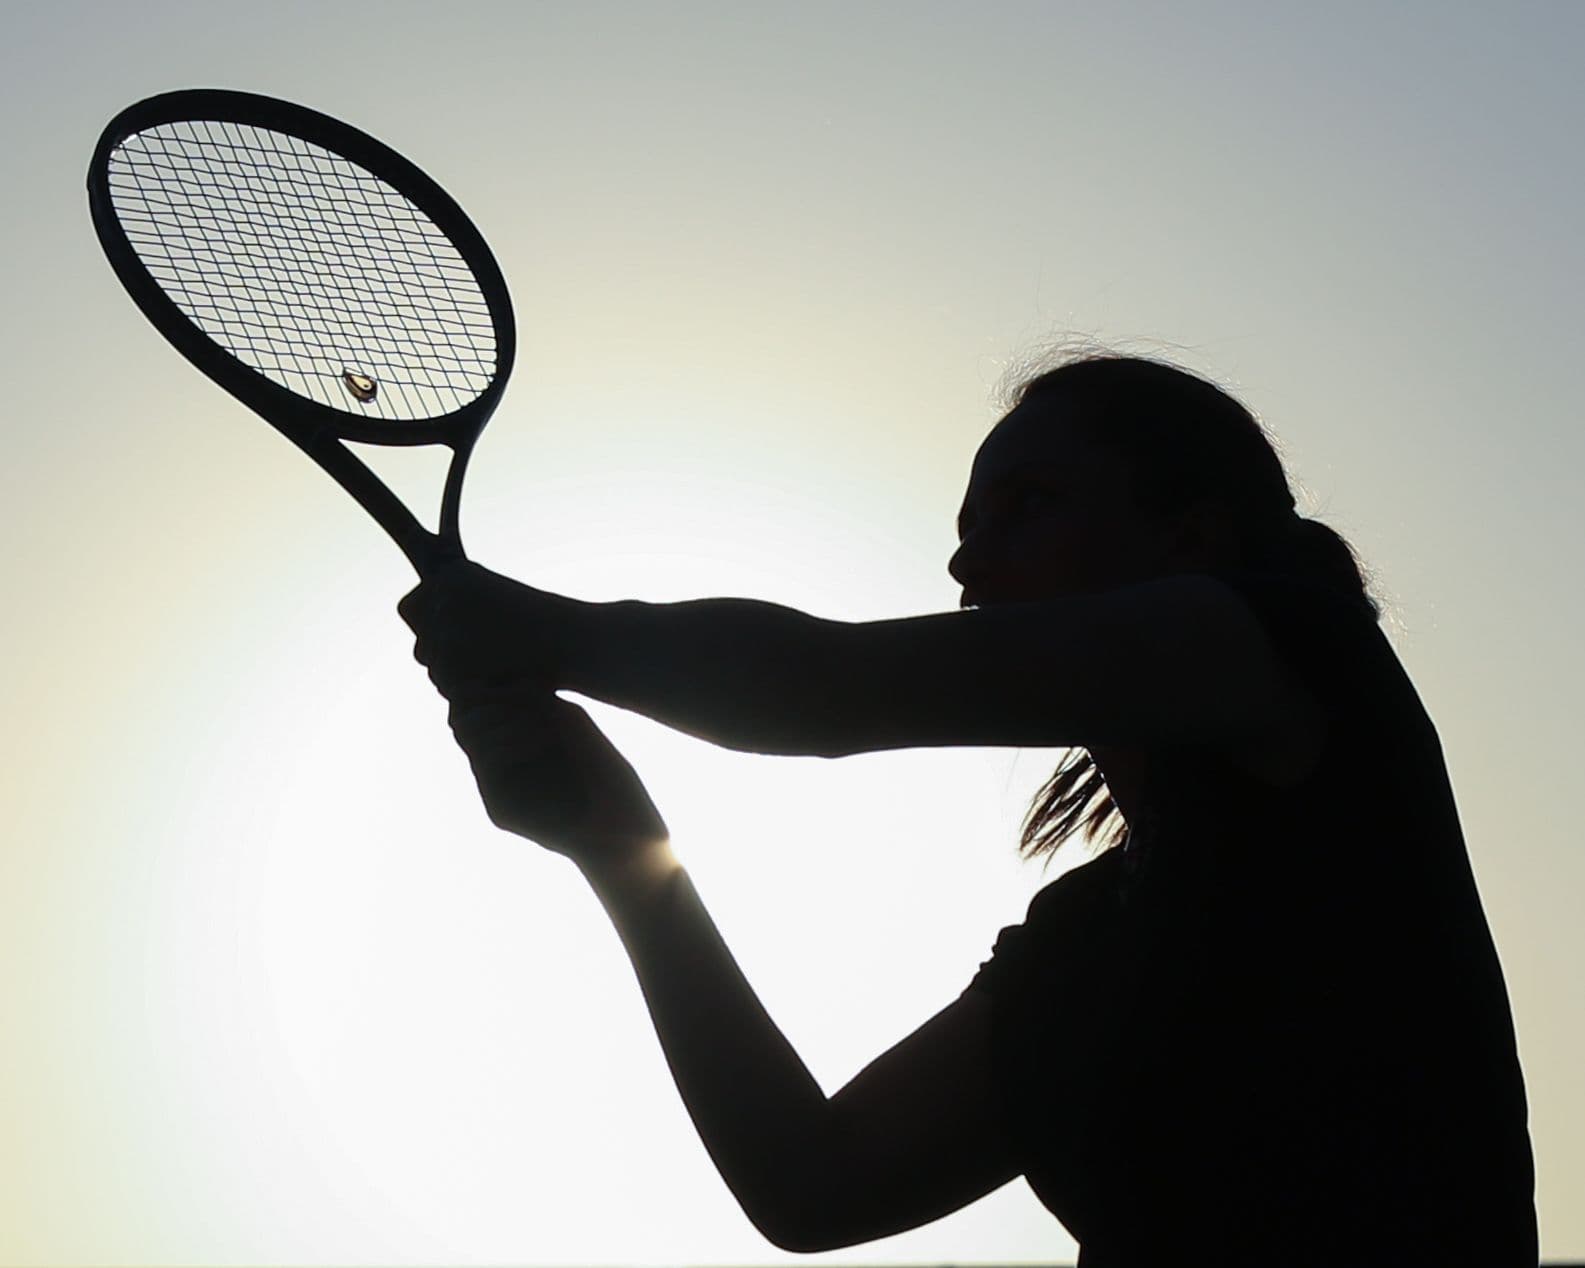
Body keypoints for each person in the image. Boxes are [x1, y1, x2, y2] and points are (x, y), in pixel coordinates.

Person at [398, 352, 1538, 1266]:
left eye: (1024, 507)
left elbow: (821, 687)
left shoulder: (1291, 643)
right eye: (966, 523)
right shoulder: (1084, 939)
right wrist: (615, 840)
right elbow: (812, 1181)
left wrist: (544, 630)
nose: (965, 558)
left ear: (1192, 537)